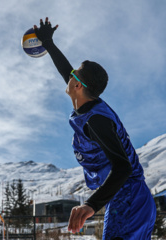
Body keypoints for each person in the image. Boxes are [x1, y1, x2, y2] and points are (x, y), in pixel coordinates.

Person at [34, 18, 156, 239]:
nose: (69, 76)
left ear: (78, 86)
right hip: (129, 199)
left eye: (74, 75)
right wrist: (48, 43)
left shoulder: (96, 120)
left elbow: (123, 167)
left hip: (128, 198)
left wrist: (90, 205)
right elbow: (66, 70)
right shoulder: (88, 108)